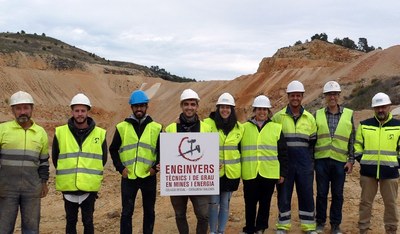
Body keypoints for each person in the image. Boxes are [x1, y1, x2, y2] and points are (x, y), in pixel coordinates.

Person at [52, 93, 107, 234]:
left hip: (89, 188)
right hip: (68, 187)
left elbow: (103, 159)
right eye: (77, 111)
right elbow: (55, 158)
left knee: (88, 222)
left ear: (88, 112)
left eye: (83, 111)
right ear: (72, 112)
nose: (80, 114)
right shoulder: (61, 132)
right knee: (70, 222)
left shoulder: (99, 134)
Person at [109, 90, 162, 234]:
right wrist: (121, 169)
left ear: (146, 107)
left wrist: (154, 169)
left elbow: (163, 151)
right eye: (136, 106)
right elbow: (113, 149)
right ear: (131, 107)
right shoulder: (122, 127)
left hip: (148, 177)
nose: (139, 109)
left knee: (149, 212)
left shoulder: (156, 128)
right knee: (126, 212)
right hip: (129, 177)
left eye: (142, 106)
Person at [0, 91, 49, 233]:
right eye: (18, 108)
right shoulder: (2, 129)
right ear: (13, 110)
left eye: (26, 108)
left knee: (31, 228)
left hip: (32, 189)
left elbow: (44, 161)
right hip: (6, 188)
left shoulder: (40, 133)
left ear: (32, 109)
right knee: (3, 227)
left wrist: (44, 182)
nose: (23, 112)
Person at [272, 80, 318, 234]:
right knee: (284, 195)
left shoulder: (310, 118)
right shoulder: (278, 118)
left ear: (302, 96)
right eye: (292, 95)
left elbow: (313, 143)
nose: (295, 98)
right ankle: (283, 226)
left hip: (304, 164)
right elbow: (274, 142)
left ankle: (309, 226)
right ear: (288, 96)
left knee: (306, 194)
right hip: (285, 164)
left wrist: (310, 164)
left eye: (298, 95)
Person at [165, 88, 212, 234]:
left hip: (199, 181)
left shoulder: (206, 128)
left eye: (192, 104)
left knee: (203, 215)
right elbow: (165, 153)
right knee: (180, 214)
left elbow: (211, 152)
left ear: (197, 106)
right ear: (181, 106)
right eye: (186, 104)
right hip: (178, 181)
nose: (189, 107)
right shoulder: (171, 129)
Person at [241, 95, 288, 234]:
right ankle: (249, 228)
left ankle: (261, 228)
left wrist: (282, 173)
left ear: (268, 111)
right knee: (249, 203)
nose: (262, 112)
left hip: (269, 172)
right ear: (254, 110)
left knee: (265, 203)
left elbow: (283, 153)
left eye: (265, 109)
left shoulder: (276, 128)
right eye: (259, 109)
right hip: (250, 172)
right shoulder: (244, 128)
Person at [355, 92, 400, 234]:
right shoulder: (364, 125)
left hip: (390, 173)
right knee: (365, 203)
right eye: (377, 107)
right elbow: (357, 146)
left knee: (391, 204)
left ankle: (391, 230)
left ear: (389, 107)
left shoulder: (398, 126)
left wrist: (396, 164)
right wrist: (363, 161)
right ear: (374, 108)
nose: (380, 110)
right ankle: (363, 229)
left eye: (383, 107)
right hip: (368, 173)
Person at [314, 81, 355, 234]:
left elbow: (352, 139)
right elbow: (313, 140)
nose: (332, 97)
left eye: (334, 94)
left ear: (339, 96)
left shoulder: (348, 114)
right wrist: (313, 161)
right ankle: (320, 223)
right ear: (325, 96)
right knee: (321, 194)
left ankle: (335, 225)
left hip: (339, 162)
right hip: (321, 161)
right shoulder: (317, 115)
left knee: (338, 195)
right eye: (329, 94)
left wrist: (351, 160)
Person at [203, 93, 244, 234]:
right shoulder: (208, 124)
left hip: (232, 173)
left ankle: (221, 231)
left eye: (228, 107)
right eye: (222, 107)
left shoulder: (240, 128)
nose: (225, 110)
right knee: (213, 204)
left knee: (225, 205)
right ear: (218, 108)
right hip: (213, 173)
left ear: (232, 109)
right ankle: (213, 231)